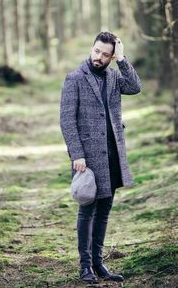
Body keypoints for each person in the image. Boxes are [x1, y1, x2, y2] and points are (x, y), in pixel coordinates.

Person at [60, 31, 142, 283]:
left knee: (104, 210)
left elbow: (135, 87)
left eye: (106, 54)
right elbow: (67, 121)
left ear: (111, 56)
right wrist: (77, 155)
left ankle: (98, 264)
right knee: (87, 210)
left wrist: (122, 59)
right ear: (91, 48)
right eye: (97, 51)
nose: (99, 57)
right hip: (87, 158)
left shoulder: (114, 75)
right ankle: (85, 267)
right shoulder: (74, 78)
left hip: (112, 154)